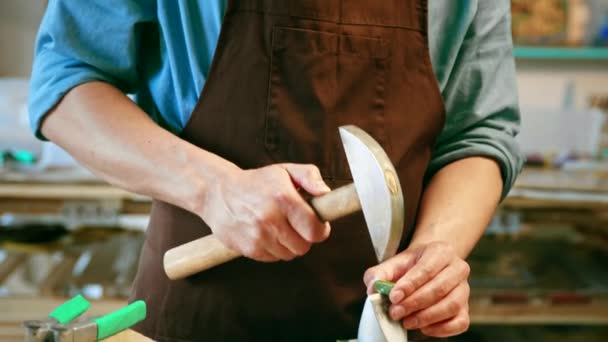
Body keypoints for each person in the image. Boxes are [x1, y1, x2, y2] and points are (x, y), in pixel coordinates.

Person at [29, 0, 523, 341]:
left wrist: (437, 252)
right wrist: (212, 188)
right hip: (200, 322)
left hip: (391, 321)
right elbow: (66, 79)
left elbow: (479, 131)